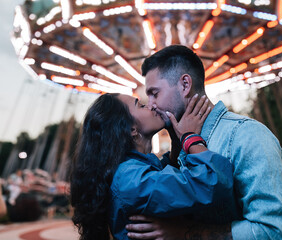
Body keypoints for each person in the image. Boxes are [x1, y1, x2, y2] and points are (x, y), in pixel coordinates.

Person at [126, 45, 282, 239]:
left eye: (154, 93)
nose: (151, 104)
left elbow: (273, 231)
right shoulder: (178, 146)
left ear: (185, 85)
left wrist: (186, 233)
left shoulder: (247, 135)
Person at [70, 93, 237, 240]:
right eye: (141, 105)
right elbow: (212, 182)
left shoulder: (133, 170)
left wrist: (176, 140)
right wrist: (190, 137)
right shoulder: (131, 179)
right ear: (131, 129)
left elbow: (168, 177)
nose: (151, 105)